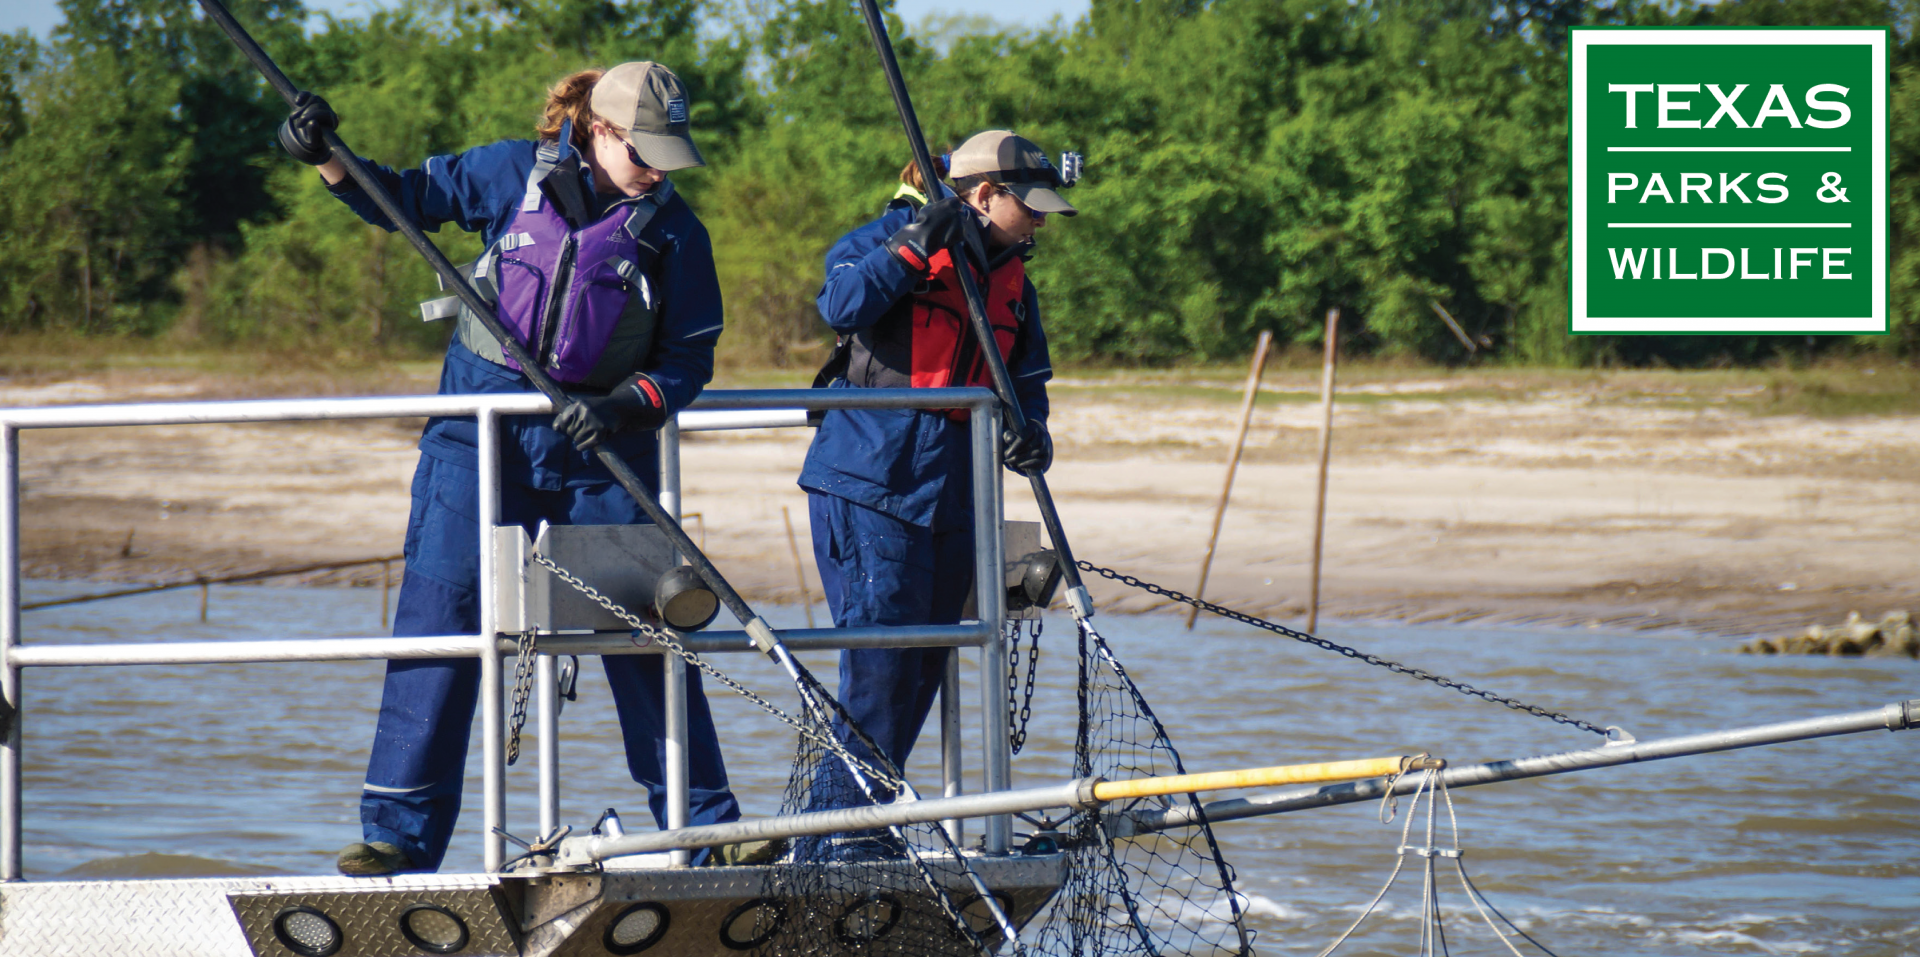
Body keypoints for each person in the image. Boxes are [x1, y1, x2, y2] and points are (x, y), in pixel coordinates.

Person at [278, 62, 741, 876]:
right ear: (599, 131)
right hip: (478, 439)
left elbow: (690, 359)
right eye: (646, 151)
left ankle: (703, 830)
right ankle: (398, 837)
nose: (660, 170)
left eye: (671, 154)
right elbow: (398, 198)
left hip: (603, 455)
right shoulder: (507, 173)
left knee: (646, 632)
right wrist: (325, 156)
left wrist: (626, 405)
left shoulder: (676, 233)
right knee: (440, 622)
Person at [796, 130, 1073, 855]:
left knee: (924, 662)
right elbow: (841, 301)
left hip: (956, 489)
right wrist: (916, 245)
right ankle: (835, 838)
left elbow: (1029, 378)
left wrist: (1031, 432)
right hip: (870, 480)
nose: (1041, 222)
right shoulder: (885, 238)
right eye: (1031, 207)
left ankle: (861, 824)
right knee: (881, 662)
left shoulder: (1012, 273)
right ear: (984, 194)